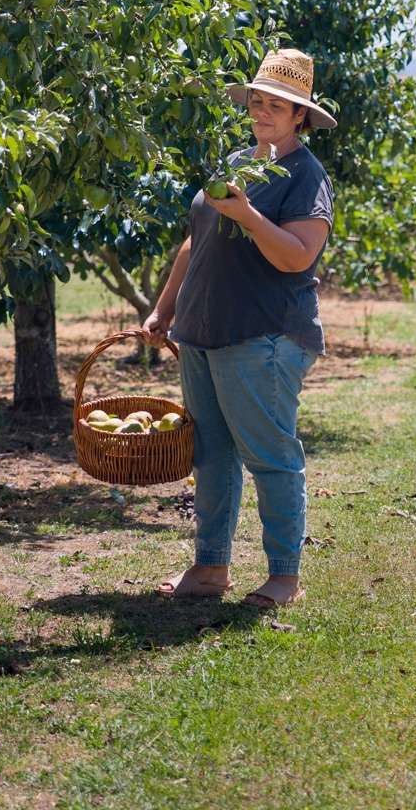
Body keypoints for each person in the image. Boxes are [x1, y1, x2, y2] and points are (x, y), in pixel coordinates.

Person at [143, 48, 335, 610]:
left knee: (271, 456)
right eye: (257, 102)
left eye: (278, 105)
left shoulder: (304, 175)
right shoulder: (235, 162)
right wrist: (165, 308)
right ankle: (210, 566)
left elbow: (299, 256)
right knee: (211, 455)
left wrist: (249, 215)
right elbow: (195, 241)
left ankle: (283, 576)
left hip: (264, 336)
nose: (263, 112)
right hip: (204, 333)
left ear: (300, 115)